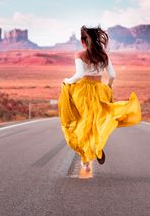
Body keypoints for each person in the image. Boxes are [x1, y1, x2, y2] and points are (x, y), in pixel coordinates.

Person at [58, 25, 141, 172]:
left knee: (82, 123)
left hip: (82, 92)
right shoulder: (103, 55)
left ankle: (85, 159)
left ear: (83, 41)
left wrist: (66, 81)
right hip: (100, 90)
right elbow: (113, 75)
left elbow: (78, 75)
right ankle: (97, 147)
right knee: (99, 121)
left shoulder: (79, 54)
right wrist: (108, 86)